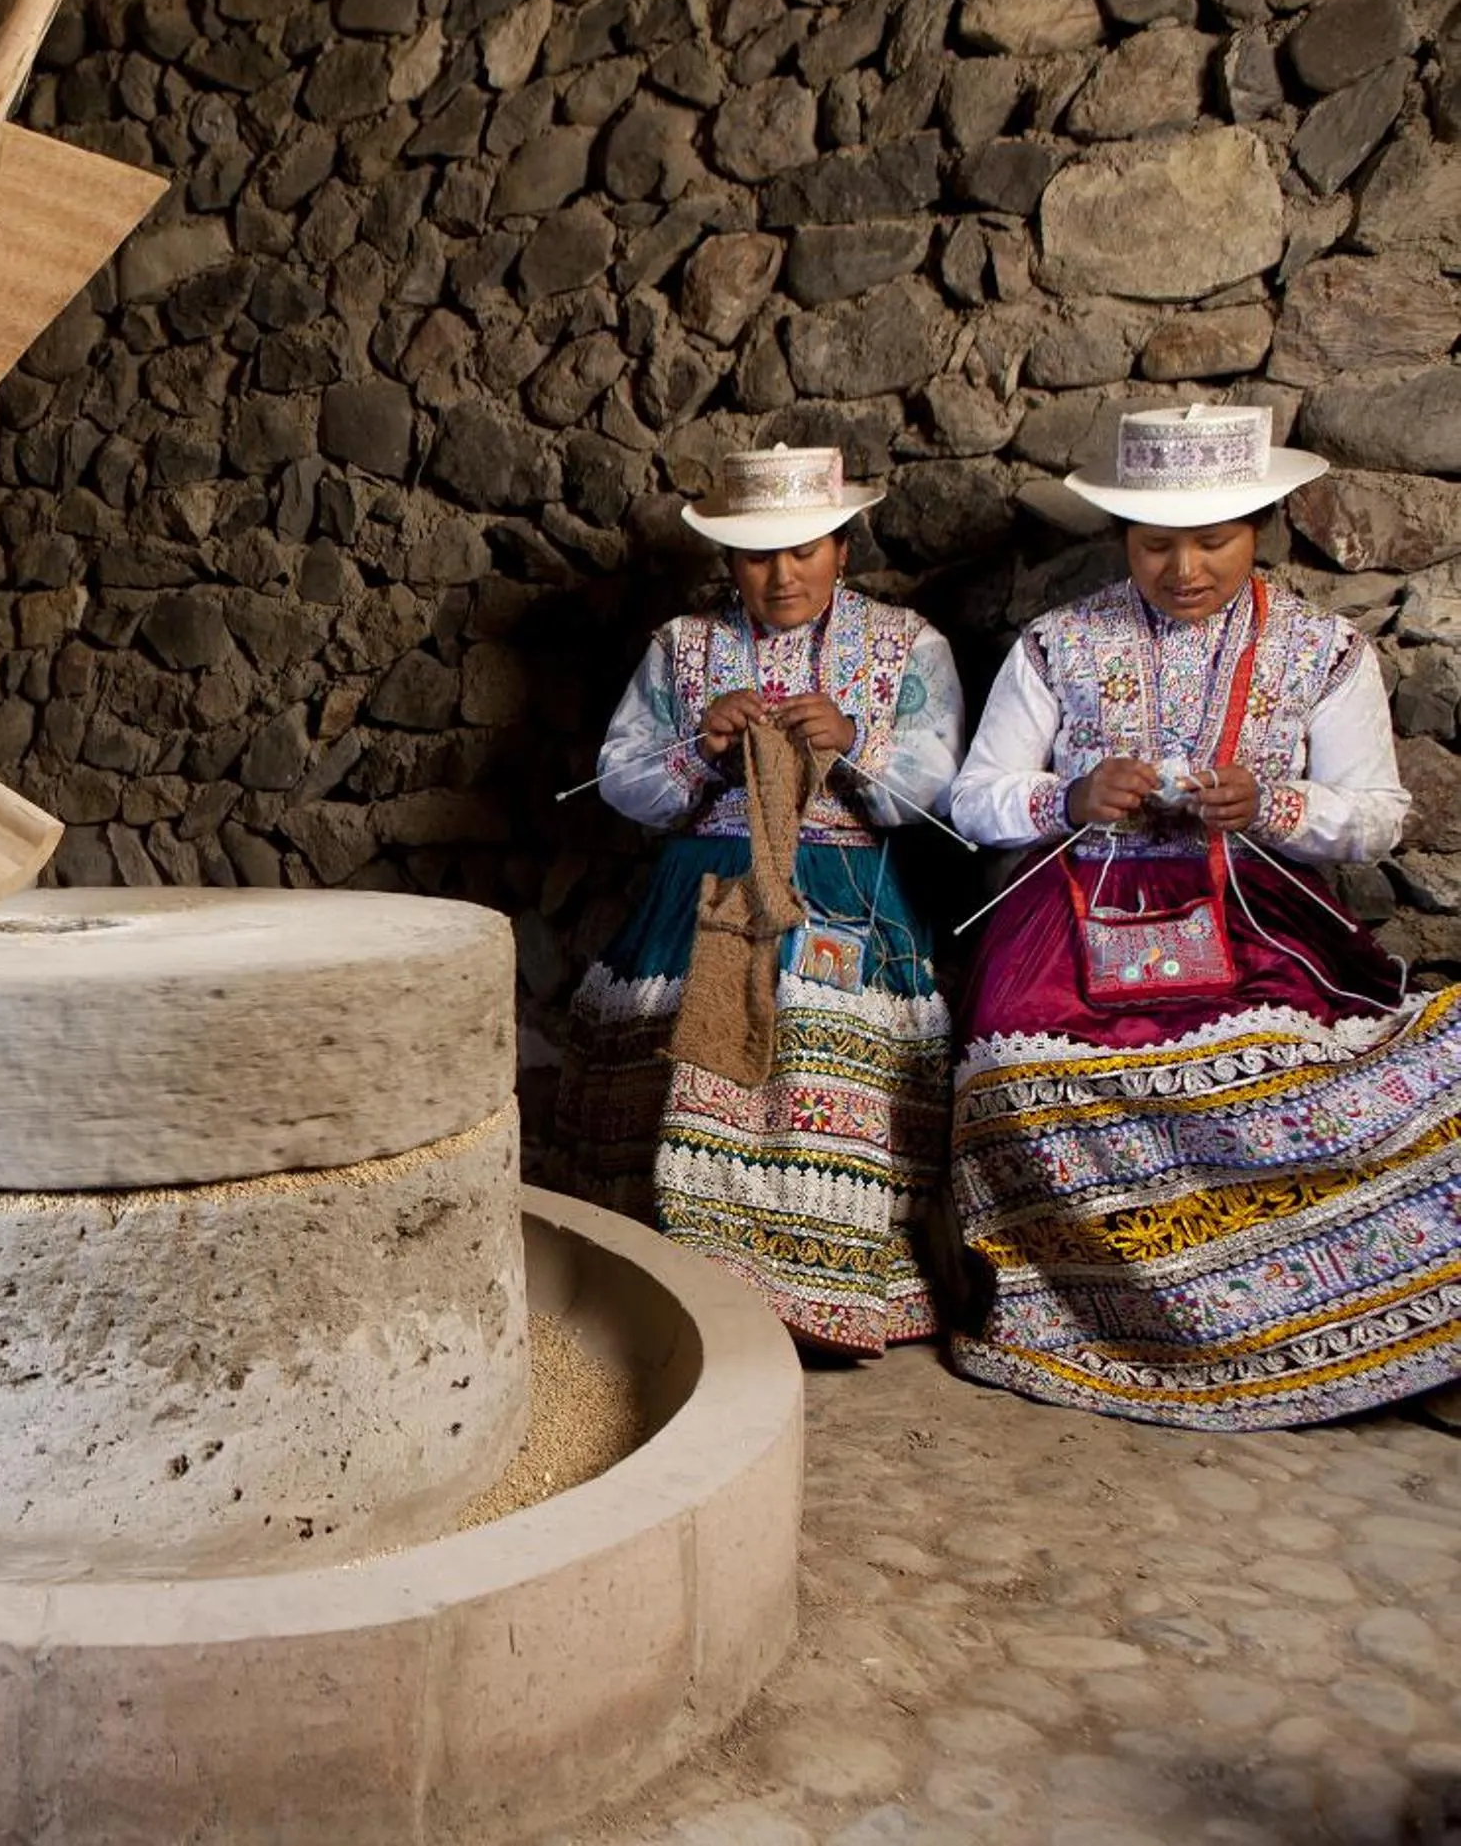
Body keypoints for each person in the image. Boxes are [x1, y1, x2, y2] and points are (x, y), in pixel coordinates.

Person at [947, 405, 1461, 1429]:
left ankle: (1331, 1331)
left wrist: (1272, 806)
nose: (1183, 567)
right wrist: (1069, 797)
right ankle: (1090, 1326)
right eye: (1154, 543)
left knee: (1350, 1074)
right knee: (1013, 1074)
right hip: (1071, 914)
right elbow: (973, 795)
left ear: (1260, 528)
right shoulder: (1058, 644)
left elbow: (1377, 814)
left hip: (1254, 920)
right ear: (1122, 541)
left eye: (1212, 540)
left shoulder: (1322, 650)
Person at [560, 446, 965, 1354]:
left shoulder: (908, 645)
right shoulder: (683, 647)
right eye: (755, 556)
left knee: (816, 1047)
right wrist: (702, 746)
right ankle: (692, 1280)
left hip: (849, 894)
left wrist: (854, 741)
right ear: (727, 563)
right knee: (696, 1047)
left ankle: (827, 1287)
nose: (781, 575)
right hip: (704, 886)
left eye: (804, 550)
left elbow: (933, 787)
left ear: (841, 551)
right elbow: (624, 782)